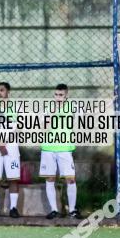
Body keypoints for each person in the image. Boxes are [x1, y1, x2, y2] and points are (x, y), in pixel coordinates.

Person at [40, 83, 81, 219]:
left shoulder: (73, 107)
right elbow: (43, 129)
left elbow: (90, 113)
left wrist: (108, 105)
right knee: (50, 178)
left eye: (61, 95)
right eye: (56, 95)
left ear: (66, 95)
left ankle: (73, 210)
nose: (58, 97)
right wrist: (50, 116)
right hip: (48, 148)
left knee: (70, 179)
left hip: (64, 148)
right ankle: (54, 210)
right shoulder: (48, 108)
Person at [0, 81, 21, 218]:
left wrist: (5, 143)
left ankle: (13, 208)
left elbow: (18, 127)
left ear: (8, 92)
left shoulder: (16, 107)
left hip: (11, 147)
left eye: (1, 90)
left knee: (13, 179)